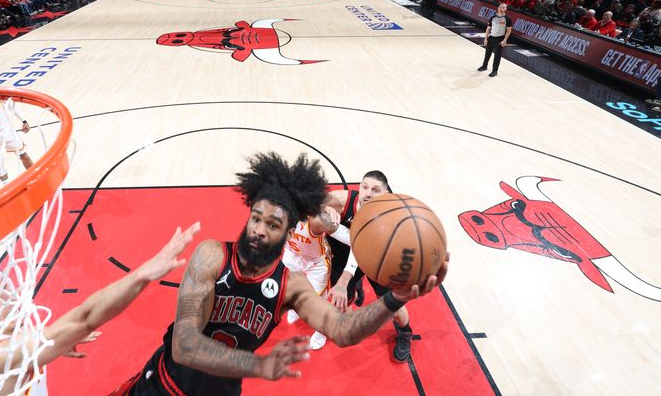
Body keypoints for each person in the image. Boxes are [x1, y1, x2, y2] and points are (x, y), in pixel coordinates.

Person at [113, 153, 448, 395]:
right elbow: (184, 345)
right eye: (256, 218)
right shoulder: (212, 255)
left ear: (289, 231)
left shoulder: (291, 286)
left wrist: (395, 298)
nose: (259, 229)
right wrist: (259, 366)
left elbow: (342, 330)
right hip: (163, 386)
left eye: (272, 224)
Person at [0, 222, 201, 396]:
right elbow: (84, 318)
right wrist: (142, 274)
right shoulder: (0, 354)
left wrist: (53, 342)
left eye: (5, 288)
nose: (9, 299)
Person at [323, 171, 413, 363]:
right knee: (342, 300)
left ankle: (405, 332)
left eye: (375, 190)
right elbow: (307, 203)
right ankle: (354, 289)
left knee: (392, 305)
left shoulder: (389, 216)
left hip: (374, 261)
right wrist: (324, 209)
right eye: (364, 187)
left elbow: (362, 247)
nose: (367, 193)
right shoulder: (342, 200)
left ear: (386, 195)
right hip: (342, 257)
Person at [281, 205, 353, 351]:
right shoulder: (277, 209)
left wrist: (346, 275)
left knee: (319, 301)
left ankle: (321, 333)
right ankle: (295, 309)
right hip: (292, 255)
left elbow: (356, 241)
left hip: (316, 263)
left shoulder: (318, 220)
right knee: (289, 289)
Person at [477, 3, 513, 77]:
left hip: (500, 38)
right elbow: (488, 28)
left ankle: (494, 71)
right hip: (491, 37)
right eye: (501, 7)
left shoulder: (507, 19)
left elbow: (509, 30)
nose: (502, 9)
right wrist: (486, 38)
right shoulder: (493, 17)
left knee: (497, 56)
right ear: (498, 8)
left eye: (504, 7)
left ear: (506, 9)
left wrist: (505, 40)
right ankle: (484, 66)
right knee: (487, 53)